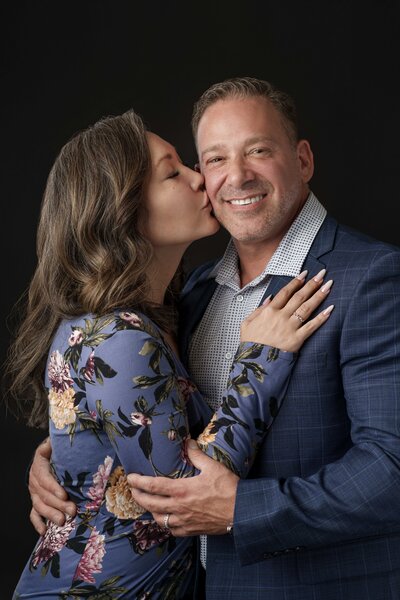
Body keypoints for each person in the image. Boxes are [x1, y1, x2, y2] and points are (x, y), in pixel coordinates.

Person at [28, 76, 400, 599]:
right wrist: (66, 457)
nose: (231, 177)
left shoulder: (374, 278)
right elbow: (145, 418)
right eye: (214, 159)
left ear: (304, 160)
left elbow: (392, 469)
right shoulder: (194, 295)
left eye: (258, 151)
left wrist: (241, 510)